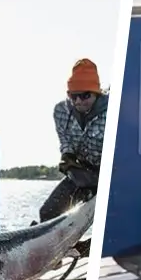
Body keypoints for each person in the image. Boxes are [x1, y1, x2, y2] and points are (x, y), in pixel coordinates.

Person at [32, 58, 107, 257]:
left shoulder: (113, 112)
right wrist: (67, 156)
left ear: (97, 93)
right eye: (73, 96)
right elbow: (64, 140)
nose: (79, 102)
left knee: (112, 219)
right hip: (80, 171)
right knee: (48, 213)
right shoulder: (60, 111)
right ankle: (50, 257)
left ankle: (90, 251)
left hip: (109, 174)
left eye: (85, 96)